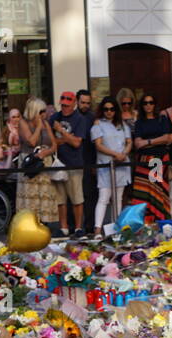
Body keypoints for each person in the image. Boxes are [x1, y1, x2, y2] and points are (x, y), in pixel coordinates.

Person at [49, 91, 90, 236]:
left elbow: (77, 143)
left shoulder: (79, 119)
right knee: (60, 198)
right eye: (63, 105)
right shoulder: (55, 117)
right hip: (59, 162)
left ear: (74, 104)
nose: (65, 108)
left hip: (74, 163)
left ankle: (79, 227)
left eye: (67, 105)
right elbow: (51, 141)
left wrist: (61, 131)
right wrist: (68, 138)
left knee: (76, 197)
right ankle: (63, 227)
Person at [16, 97, 61, 231]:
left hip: (44, 162)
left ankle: (44, 224)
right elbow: (31, 142)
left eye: (44, 111)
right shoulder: (23, 123)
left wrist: (46, 152)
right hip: (30, 162)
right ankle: (29, 224)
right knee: (30, 196)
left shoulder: (46, 124)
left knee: (44, 194)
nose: (44, 114)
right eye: (41, 111)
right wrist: (39, 127)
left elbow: (54, 145)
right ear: (34, 111)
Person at [90, 96, 131, 236]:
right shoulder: (98, 124)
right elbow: (98, 145)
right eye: (106, 109)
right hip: (106, 165)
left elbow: (129, 141)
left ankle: (116, 227)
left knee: (118, 198)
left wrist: (123, 153)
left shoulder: (122, 124)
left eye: (112, 109)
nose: (109, 112)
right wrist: (115, 154)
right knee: (104, 197)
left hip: (121, 164)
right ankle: (97, 229)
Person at [130, 94, 172, 221]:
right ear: (142, 106)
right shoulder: (139, 122)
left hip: (159, 160)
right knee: (143, 193)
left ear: (155, 104)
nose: (148, 105)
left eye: (151, 102)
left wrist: (147, 142)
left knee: (158, 192)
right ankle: (143, 223)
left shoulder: (162, 119)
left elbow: (166, 138)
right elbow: (138, 143)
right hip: (144, 161)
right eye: (145, 103)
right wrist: (157, 141)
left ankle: (160, 221)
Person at [76, 89, 98, 232]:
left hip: (89, 160)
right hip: (74, 161)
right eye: (83, 102)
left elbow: (95, 142)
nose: (85, 105)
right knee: (75, 197)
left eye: (88, 103)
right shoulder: (71, 116)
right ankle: (75, 227)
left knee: (90, 196)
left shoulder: (92, 117)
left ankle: (89, 226)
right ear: (77, 101)